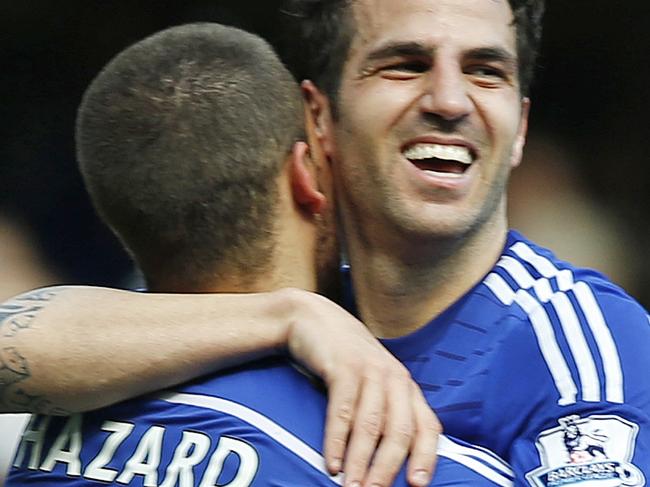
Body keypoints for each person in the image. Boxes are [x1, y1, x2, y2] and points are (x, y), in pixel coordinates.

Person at [3, 0, 650, 484]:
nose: (450, 100)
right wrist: (291, 315)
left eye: (486, 72)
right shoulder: (263, 299)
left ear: (520, 128)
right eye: (404, 64)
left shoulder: (582, 349)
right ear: (320, 121)